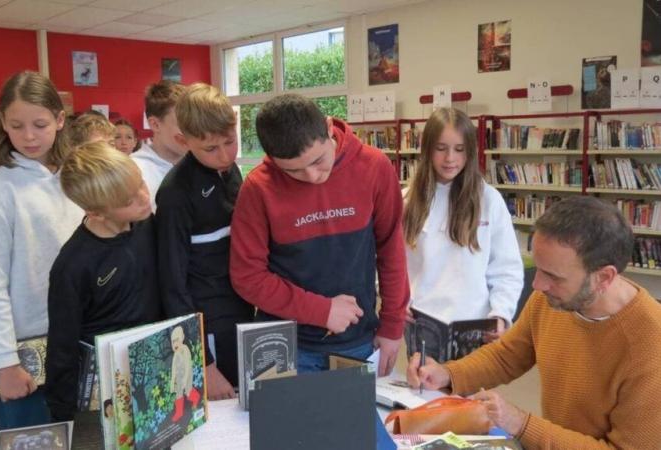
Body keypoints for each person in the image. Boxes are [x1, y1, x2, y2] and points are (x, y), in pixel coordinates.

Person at [407, 196, 661, 449]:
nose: (537, 285)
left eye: (553, 276)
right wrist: (448, 374)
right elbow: (507, 356)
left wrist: (519, 423)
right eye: (538, 268)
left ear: (604, 277)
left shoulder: (650, 346)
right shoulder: (551, 300)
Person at [230, 93, 409, 376]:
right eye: (294, 171)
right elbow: (247, 277)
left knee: (354, 420)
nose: (312, 177)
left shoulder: (374, 167)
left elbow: (391, 250)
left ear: (328, 128)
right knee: (280, 421)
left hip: (354, 342)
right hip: (281, 344)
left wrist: (392, 325)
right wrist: (321, 310)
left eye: (317, 160)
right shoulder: (257, 187)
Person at [0, 71, 83, 429]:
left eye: (40, 123)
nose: (29, 136)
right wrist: (5, 362)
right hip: (26, 348)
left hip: (80, 336)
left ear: (60, 119)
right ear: (2, 122)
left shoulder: (75, 175)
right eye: (17, 126)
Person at [45, 141, 162, 421]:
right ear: (96, 212)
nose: (144, 197)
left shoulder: (147, 224)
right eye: (128, 201)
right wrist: (65, 416)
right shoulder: (72, 265)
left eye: (141, 185)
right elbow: (63, 346)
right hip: (105, 388)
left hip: (154, 368)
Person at [157, 83, 254, 400]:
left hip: (242, 314)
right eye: (210, 149)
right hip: (207, 327)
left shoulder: (230, 171)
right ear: (183, 141)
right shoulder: (175, 194)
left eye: (230, 141)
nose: (225, 154)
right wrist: (204, 363)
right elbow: (172, 286)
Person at [403, 107, 522, 360]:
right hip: (422, 320)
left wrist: (501, 313)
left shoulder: (488, 199)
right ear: (426, 150)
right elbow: (388, 260)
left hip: (473, 324)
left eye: (459, 149)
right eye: (440, 148)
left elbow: (507, 268)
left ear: (470, 151)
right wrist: (396, 301)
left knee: (467, 396)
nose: (450, 159)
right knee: (426, 395)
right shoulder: (407, 200)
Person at [131, 80, 188, 211]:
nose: (193, 131)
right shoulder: (132, 171)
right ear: (155, 125)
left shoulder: (202, 163)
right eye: (183, 123)